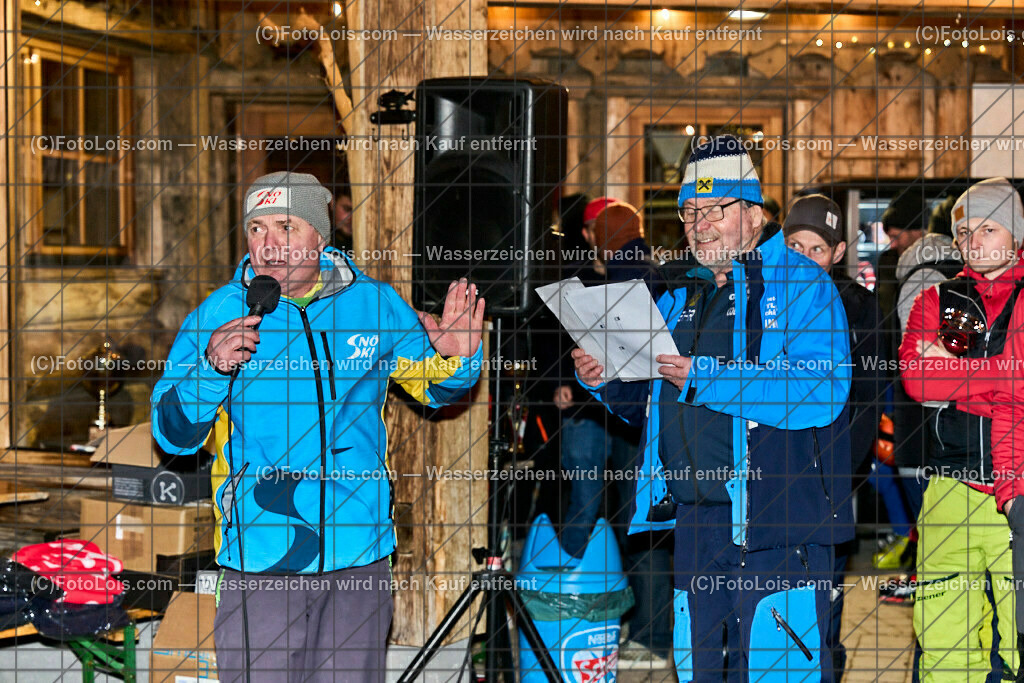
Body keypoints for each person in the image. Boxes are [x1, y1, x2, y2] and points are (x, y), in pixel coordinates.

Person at [150, 171, 485, 682]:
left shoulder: (374, 305)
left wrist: (460, 359)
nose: (269, 244)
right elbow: (173, 435)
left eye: (285, 226)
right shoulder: (217, 315)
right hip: (262, 556)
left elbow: (435, 389)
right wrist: (211, 371)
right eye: (256, 229)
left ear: (320, 236)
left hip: (360, 553)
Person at [574, 135, 852, 681]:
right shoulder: (682, 295)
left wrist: (707, 378)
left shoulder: (803, 286)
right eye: (688, 212)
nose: (698, 224)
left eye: (714, 210)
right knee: (697, 670)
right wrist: (606, 378)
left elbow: (818, 391)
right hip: (696, 524)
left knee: (778, 672)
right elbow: (654, 405)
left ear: (753, 214)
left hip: (778, 523)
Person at [900, 177, 1023, 682]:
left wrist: (954, 375)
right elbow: (916, 378)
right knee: (943, 635)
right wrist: (1003, 374)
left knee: (1018, 635)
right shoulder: (938, 299)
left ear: (1016, 236)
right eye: (965, 231)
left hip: (1014, 486)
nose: (974, 241)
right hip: (948, 486)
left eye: (989, 229)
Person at [551, 199, 671, 668]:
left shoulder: (624, 272)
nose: (586, 238)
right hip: (629, 412)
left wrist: (568, 381)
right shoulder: (650, 270)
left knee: (592, 512)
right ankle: (642, 627)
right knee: (639, 520)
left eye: (591, 231)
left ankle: (580, 618)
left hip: (604, 408)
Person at [783, 194, 886, 680]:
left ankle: (826, 669)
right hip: (768, 479)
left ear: (839, 251)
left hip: (827, 480)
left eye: (817, 249)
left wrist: (839, 479)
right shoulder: (762, 300)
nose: (804, 258)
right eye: (794, 245)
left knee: (823, 597)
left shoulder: (859, 307)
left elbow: (866, 403)